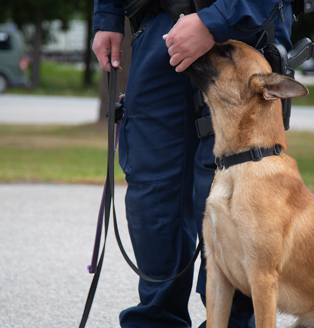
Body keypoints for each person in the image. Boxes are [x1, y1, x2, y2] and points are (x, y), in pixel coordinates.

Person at [92, 0, 295, 327]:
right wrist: (109, 15)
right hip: (160, 29)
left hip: (244, 31)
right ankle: (157, 319)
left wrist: (215, 20)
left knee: (241, 202)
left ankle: (231, 323)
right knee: (152, 192)